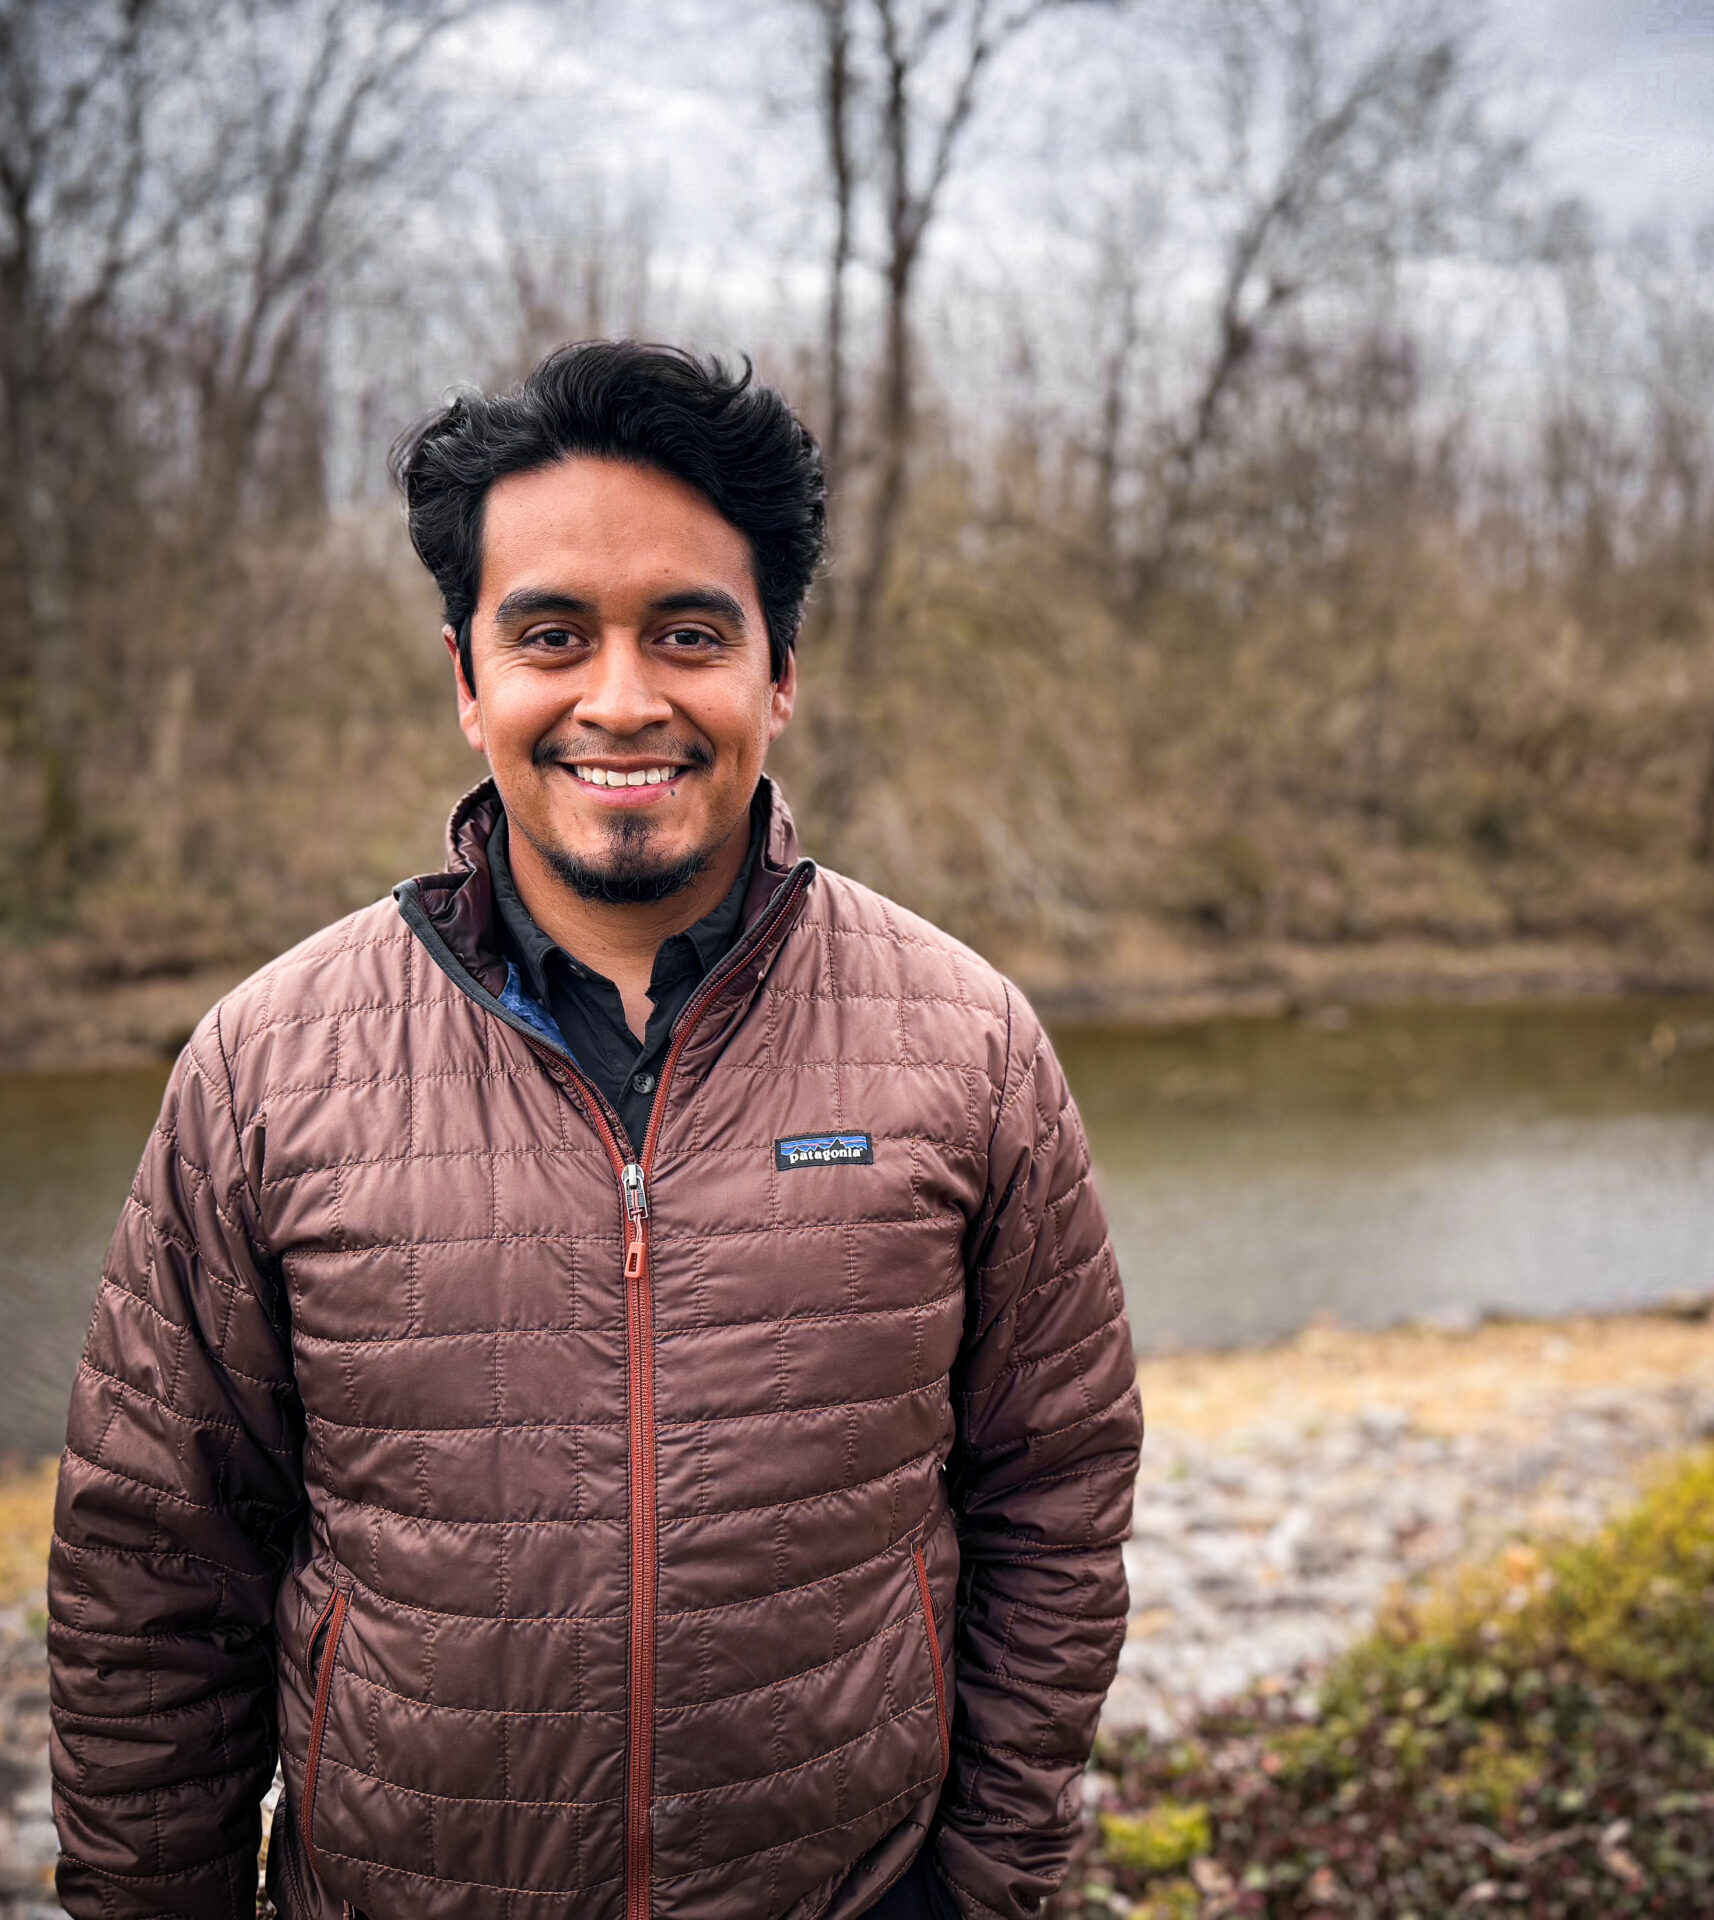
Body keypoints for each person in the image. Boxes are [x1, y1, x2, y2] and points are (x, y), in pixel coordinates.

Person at [45, 342, 1141, 1920]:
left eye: (688, 633)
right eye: (553, 633)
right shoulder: (263, 1066)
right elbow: (153, 1580)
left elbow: (1056, 1501)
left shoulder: (965, 1044)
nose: (621, 699)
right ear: (468, 676)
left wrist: (986, 1887)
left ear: (777, 673)